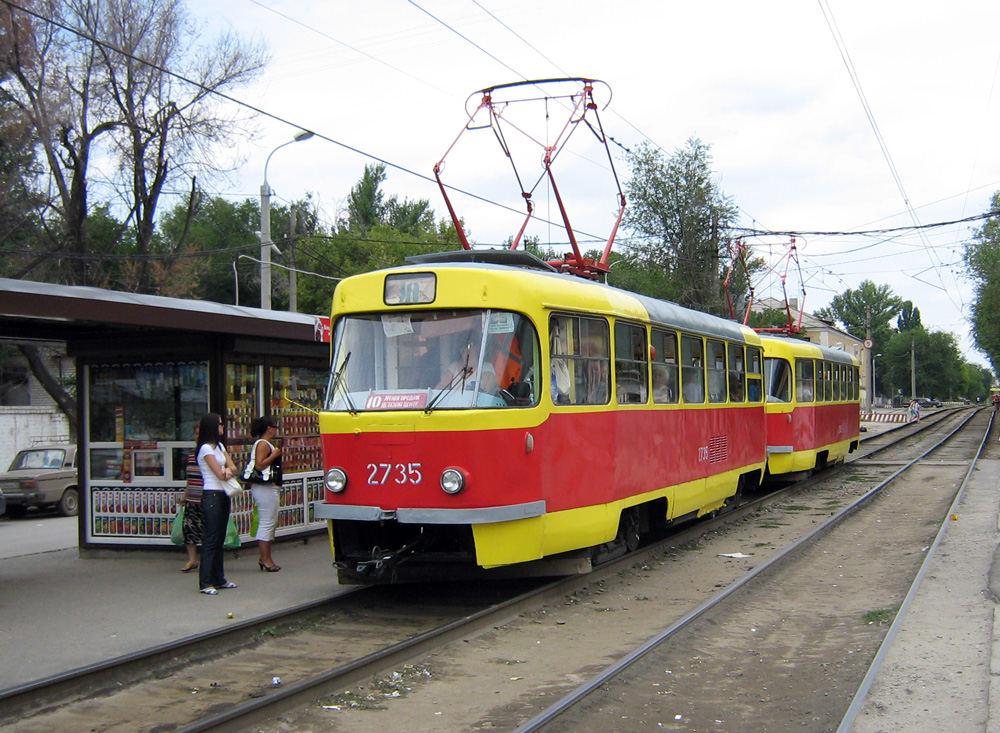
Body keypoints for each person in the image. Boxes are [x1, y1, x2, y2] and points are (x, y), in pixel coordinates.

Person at [196, 412, 238, 595]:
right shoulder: (205, 449)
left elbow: (233, 467)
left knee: (220, 538)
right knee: (211, 538)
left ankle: (219, 577)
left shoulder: (219, 446)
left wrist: (228, 471)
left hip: (223, 493)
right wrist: (226, 471)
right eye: (220, 424)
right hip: (211, 494)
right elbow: (219, 473)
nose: (222, 427)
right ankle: (206, 581)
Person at [248, 415, 283, 572]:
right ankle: (265, 559)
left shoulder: (264, 443)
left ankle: (266, 558)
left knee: (269, 521)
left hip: (268, 487)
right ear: (269, 429)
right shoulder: (263, 444)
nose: (276, 430)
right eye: (275, 427)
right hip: (265, 488)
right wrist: (274, 455)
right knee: (267, 522)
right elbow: (260, 465)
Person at [180, 425, 204, 572]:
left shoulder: (210, 453)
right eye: (195, 433)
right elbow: (190, 477)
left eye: (200, 433)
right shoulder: (191, 454)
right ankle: (192, 559)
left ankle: (208, 560)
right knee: (189, 528)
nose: (197, 436)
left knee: (206, 529)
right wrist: (186, 494)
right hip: (192, 497)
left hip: (206, 497)